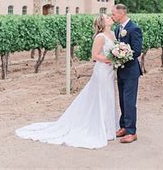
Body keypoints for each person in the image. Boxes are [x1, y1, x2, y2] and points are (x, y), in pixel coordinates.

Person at [15, 14, 118, 149]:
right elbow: (94, 56)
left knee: (109, 96)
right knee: (102, 97)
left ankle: (110, 127)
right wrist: (109, 60)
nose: (110, 18)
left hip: (110, 71)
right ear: (102, 23)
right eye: (107, 17)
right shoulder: (100, 37)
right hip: (102, 70)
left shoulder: (112, 33)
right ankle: (102, 128)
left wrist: (118, 56)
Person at [111, 4, 143, 144]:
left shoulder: (134, 28)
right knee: (123, 101)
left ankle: (131, 132)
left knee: (129, 101)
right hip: (121, 70)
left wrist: (122, 54)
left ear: (121, 13)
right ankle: (123, 126)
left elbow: (137, 51)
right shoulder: (118, 29)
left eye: (114, 14)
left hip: (131, 71)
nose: (112, 16)